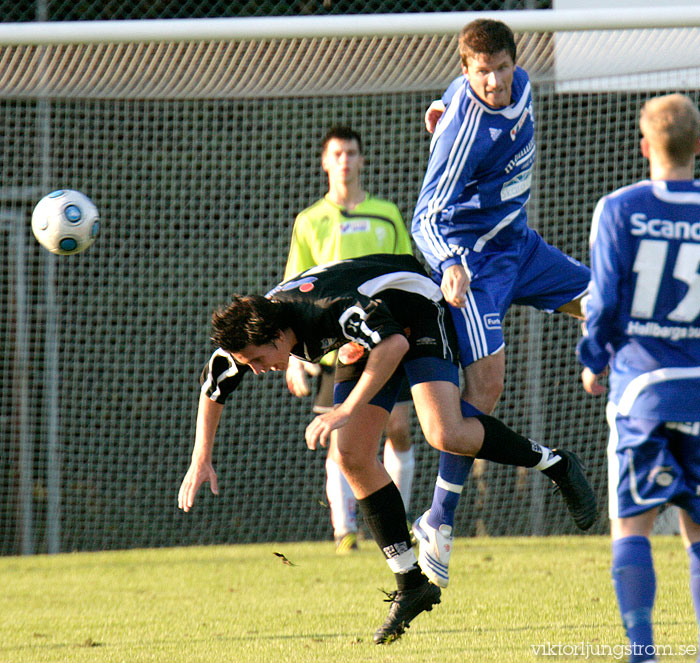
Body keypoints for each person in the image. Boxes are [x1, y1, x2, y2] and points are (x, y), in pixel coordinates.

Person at [178, 253, 597, 644]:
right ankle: (411, 584)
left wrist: (346, 408)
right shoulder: (256, 328)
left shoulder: (326, 309)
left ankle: (556, 464)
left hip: (416, 310)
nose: (256, 369)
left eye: (256, 359)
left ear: (278, 335)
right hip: (371, 333)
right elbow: (214, 386)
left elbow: (394, 345)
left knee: (444, 432)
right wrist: (201, 458)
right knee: (350, 455)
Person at [410, 17, 594, 588]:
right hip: (476, 264)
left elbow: (452, 102)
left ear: (517, 63)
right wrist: (449, 264)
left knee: (606, 303)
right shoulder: (466, 126)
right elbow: (424, 217)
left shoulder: (524, 86)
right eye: (481, 72)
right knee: (486, 388)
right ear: (467, 73)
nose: (493, 81)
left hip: (519, 244)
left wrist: (436, 110)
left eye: (501, 68)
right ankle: (439, 520)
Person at [577, 93, 700, 663]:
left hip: (642, 391)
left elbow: (602, 303)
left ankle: (643, 653)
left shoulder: (620, 208)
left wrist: (594, 359)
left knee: (632, 525)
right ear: (699, 146)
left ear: (645, 146)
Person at [284, 126, 415, 553]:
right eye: (336, 153)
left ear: (362, 160)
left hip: (385, 337)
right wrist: (293, 358)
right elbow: (293, 289)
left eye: (351, 153)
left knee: (398, 429)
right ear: (324, 162)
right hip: (336, 347)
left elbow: (406, 272)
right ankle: (345, 531)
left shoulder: (386, 212)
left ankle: (399, 518)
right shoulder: (309, 221)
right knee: (340, 438)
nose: (344, 160)